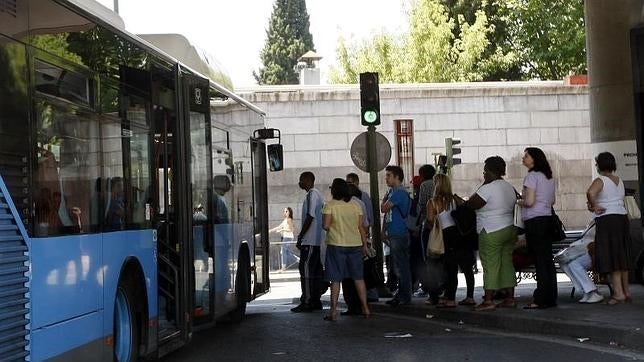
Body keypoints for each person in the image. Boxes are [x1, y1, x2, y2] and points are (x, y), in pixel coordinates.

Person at [467, 156, 517, 311]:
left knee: (490, 264)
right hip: (510, 229)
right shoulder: (509, 187)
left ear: (489, 170)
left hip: (491, 230)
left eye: (485, 170)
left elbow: (472, 203)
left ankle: (488, 300)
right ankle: (510, 298)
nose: (483, 173)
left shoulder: (487, 188)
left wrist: (483, 184)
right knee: (507, 263)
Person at [586, 152, 633, 305]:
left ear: (600, 164)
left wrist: (594, 205)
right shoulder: (619, 180)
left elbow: (590, 192)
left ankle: (618, 293)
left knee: (611, 255)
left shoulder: (601, 180)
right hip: (621, 218)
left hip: (608, 220)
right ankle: (626, 291)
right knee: (622, 255)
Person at [322, 178, 371, 321]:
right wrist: (364, 245)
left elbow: (325, 226)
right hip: (355, 245)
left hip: (336, 244)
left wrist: (335, 227)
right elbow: (361, 227)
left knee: (335, 279)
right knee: (358, 278)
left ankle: (333, 311)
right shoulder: (356, 206)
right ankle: (366, 308)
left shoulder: (330, 205)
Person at [519, 147, 558, 309]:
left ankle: (540, 298)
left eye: (526, 156)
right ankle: (550, 296)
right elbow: (552, 201)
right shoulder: (549, 178)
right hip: (547, 220)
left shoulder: (531, 177)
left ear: (534, 159)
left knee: (539, 261)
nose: (523, 158)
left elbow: (529, 202)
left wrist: (517, 202)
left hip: (534, 221)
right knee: (547, 260)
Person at [291, 171, 325, 312]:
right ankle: (315, 300)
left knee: (305, 270)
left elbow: (310, 216)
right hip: (314, 241)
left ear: (308, 180)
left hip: (310, 240)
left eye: (301, 180)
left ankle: (307, 300)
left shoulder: (312, 194)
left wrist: (301, 236)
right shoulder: (313, 194)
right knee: (314, 271)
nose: (300, 182)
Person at [381, 165, 412, 307]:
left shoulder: (399, 193)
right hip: (394, 233)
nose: (386, 178)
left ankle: (405, 295)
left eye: (389, 175)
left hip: (399, 233)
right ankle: (401, 294)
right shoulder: (393, 192)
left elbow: (384, 208)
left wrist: (385, 199)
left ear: (397, 177)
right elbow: (388, 214)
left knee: (401, 266)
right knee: (398, 266)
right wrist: (384, 231)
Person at [559, 220, 603, 304]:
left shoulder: (603, 220)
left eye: (591, 205)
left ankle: (593, 292)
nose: (589, 206)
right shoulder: (594, 219)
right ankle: (586, 291)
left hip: (593, 253)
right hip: (584, 250)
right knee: (563, 263)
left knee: (573, 264)